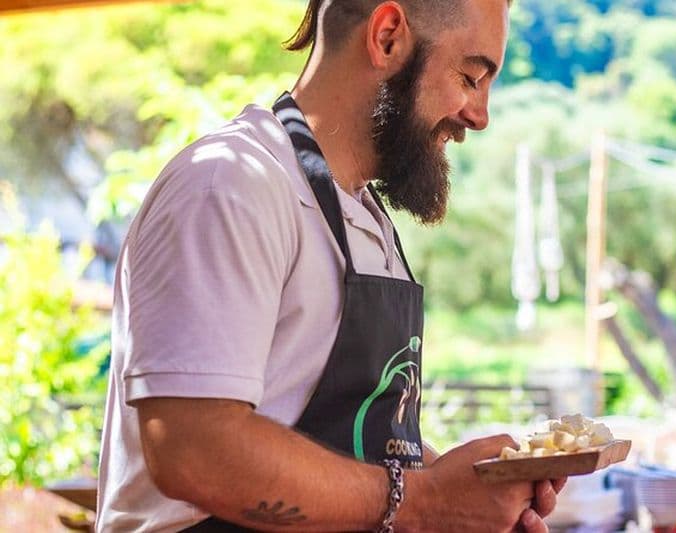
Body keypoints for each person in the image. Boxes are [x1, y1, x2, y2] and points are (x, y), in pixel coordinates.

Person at [96, 0, 566, 531]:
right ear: (387, 36)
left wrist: (467, 491)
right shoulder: (231, 185)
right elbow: (194, 450)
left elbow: (353, 439)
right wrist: (426, 501)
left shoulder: (369, 221)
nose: (479, 116)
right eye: (471, 76)